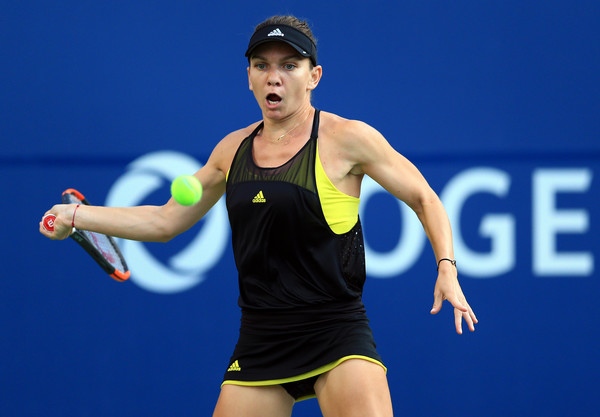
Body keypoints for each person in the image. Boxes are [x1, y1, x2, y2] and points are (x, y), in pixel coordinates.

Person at [40, 15, 477, 417]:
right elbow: (164, 221)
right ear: (248, 76)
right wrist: (77, 215)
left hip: (336, 330)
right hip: (261, 337)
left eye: (290, 65)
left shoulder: (348, 139)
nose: (274, 77)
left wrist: (447, 268)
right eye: (262, 65)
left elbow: (424, 197)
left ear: (314, 77)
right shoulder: (231, 151)